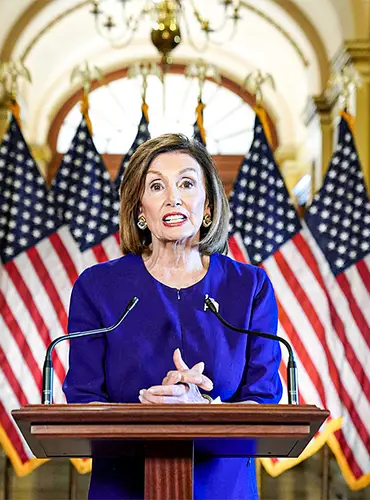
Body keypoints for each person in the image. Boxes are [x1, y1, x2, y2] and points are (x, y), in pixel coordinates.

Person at [62, 133, 282, 499]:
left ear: (208, 205)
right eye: (156, 186)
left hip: (223, 488)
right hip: (123, 486)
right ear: (139, 209)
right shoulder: (97, 287)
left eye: (186, 183)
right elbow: (83, 398)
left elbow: (263, 399)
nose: (173, 197)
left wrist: (205, 410)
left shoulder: (250, 287)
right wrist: (143, 414)